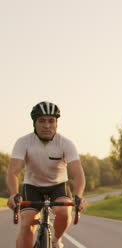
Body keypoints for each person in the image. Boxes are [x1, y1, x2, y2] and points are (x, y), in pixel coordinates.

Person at [6, 101, 88, 248]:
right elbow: (13, 172)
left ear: (56, 123)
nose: (47, 125)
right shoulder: (23, 142)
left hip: (58, 185)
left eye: (51, 121)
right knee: (27, 224)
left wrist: (79, 196)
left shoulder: (65, 143)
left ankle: (56, 240)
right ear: (34, 123)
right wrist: (13, 195)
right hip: (32, 186)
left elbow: (78, 174)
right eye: (42, 121)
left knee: (64, 212)